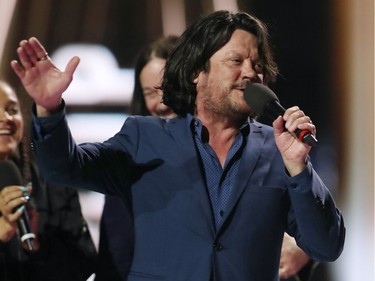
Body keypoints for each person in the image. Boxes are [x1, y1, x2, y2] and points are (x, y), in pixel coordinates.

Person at [11, 10, 345, 281]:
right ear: (199, 71)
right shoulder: (146, 137)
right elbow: (62, 167)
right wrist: (50, 107)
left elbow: (326, 245)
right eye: (236, 61)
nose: (250, 73)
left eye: (258, 66)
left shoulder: (278, 150)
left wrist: (299, 167)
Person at [95, 35, 179, 281]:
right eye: (149, 93)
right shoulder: (128, 162)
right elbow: (113, 257)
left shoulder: (228, 153)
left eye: (168, 89)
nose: (161, 103)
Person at [0, 80, 97, 280]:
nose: (5, 118)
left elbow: (84, 262)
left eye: (12, 109)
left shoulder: (54, 182)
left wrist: (38, 246)